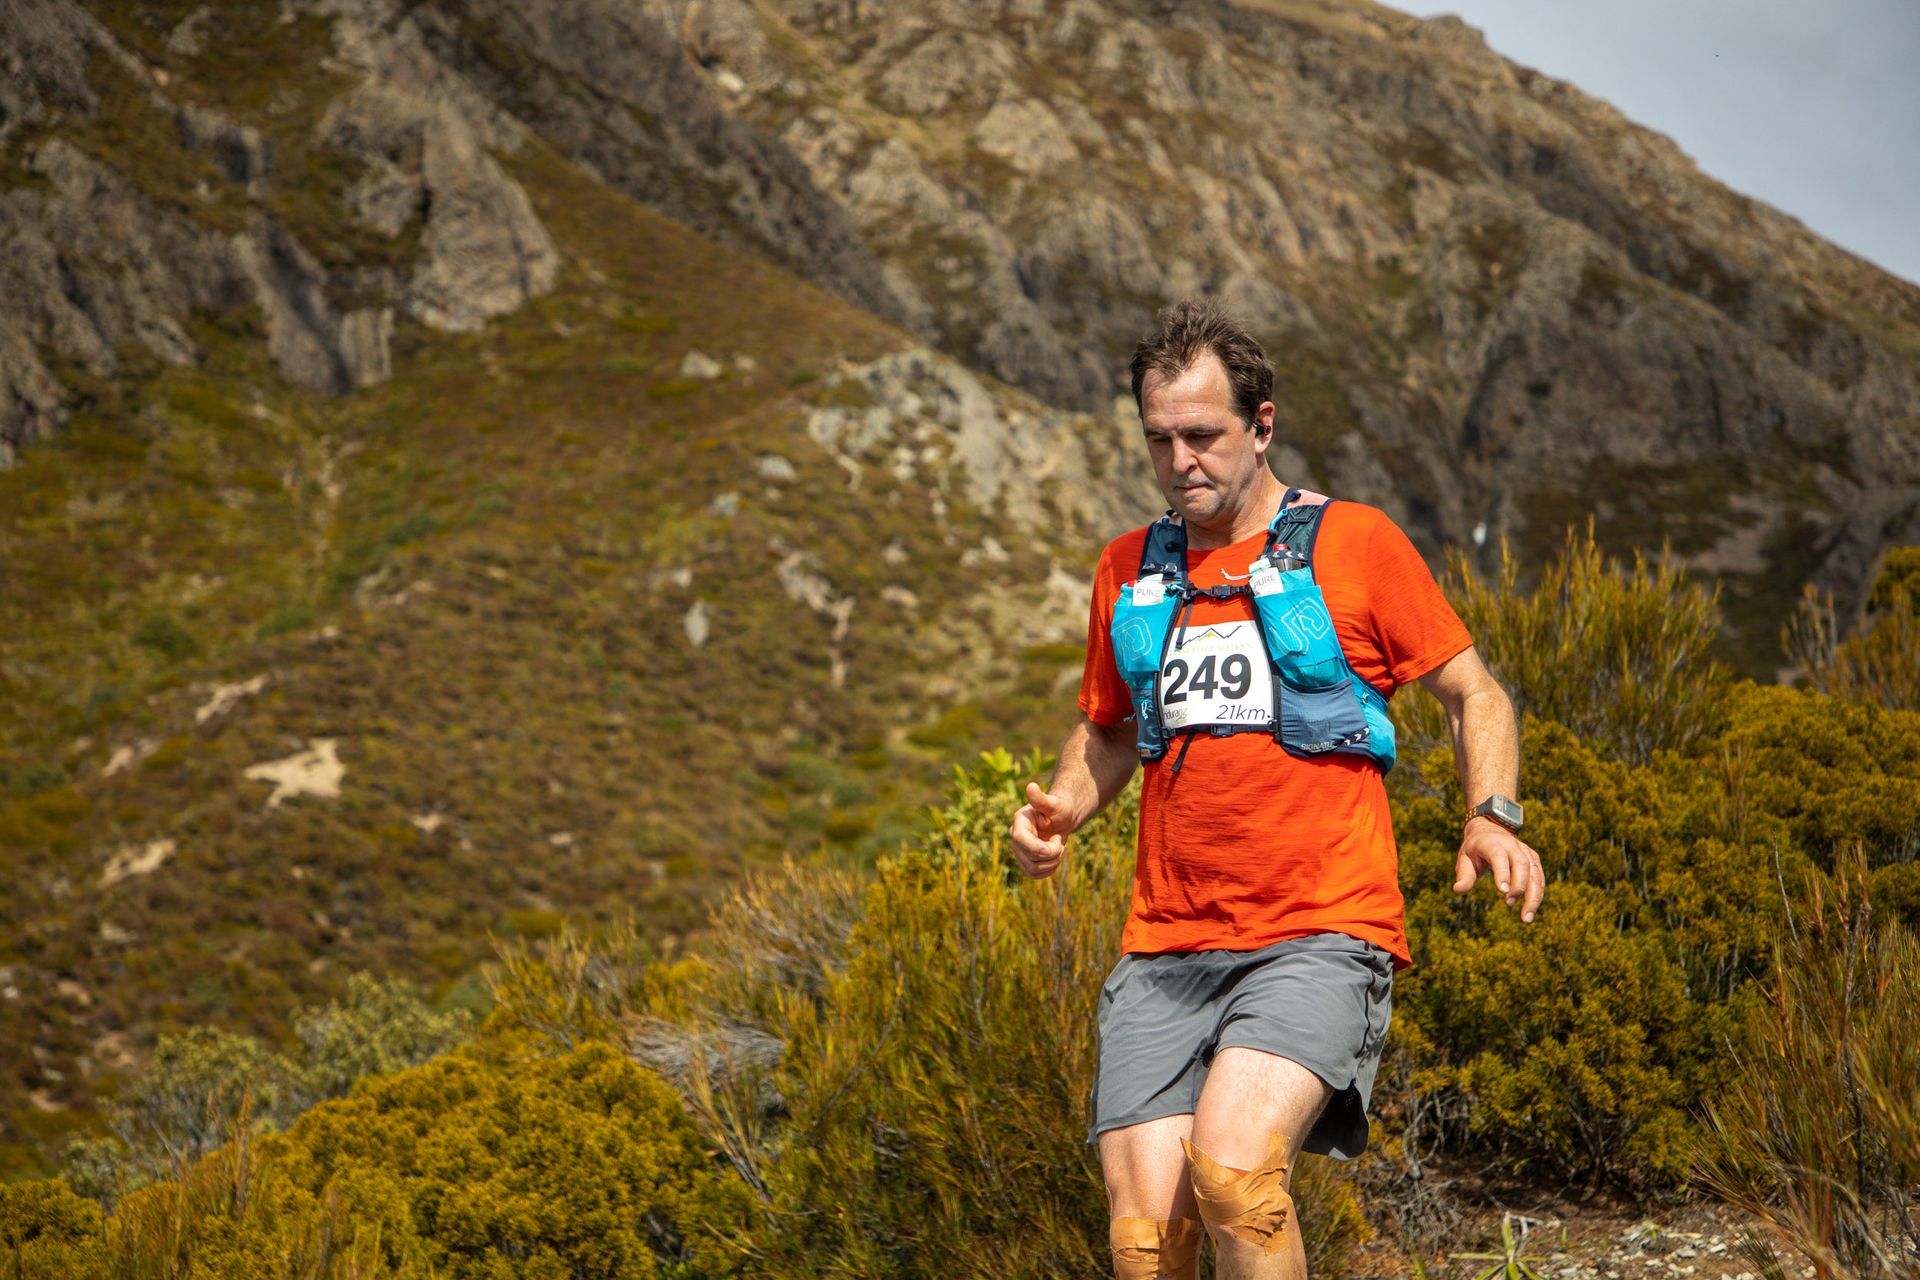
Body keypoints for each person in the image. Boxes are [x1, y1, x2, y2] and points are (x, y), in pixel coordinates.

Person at [1008, 299, 1545, 1280]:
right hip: (1165, 943)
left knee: (1236, 1174)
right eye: (1160, 440)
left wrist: (1491, 812)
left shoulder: (1358, 543)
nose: (1182, 462)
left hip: (1319, 929)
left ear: (1261, 425)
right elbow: (1111, 725)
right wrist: (1060, 809)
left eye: (1203, 435)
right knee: (1143, 1239)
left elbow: (1476, 692)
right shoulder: (1129, 568)